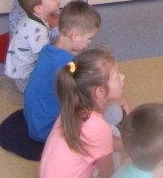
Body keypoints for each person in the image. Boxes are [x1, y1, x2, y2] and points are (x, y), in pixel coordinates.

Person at [39, 47, 125, 178]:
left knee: (111, 130)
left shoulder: (72, 106)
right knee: (112, 132)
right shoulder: (97, 126)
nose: (123, 77)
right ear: (100, 92)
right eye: (117, 77)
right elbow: (107, 173)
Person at [24, 0, 103, 142]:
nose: (89, 42)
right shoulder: (68, 65)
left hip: (34, 121)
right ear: (75, 36)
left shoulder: (47, 50)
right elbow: (81, 95)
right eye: (89, 38)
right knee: (106, 112)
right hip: (49, 132)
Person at [5, 0, 59, 93]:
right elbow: (46, 60)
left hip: (20, 75)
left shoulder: (31, 19)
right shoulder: (38, 30)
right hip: (26, 82)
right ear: (39, 8)